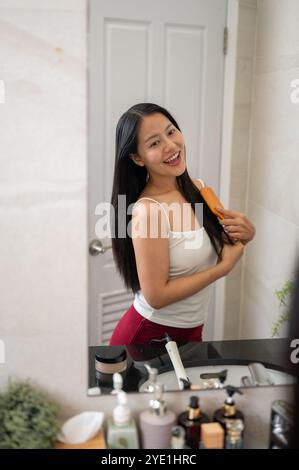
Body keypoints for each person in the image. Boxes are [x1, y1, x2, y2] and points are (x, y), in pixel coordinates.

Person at [109, 103, 255, 345]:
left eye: (171, 131)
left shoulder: (197, 188)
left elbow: (227, 243)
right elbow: (156, 296)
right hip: (149, 336)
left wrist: (246, 233)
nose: (171, 146)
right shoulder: (148, 211)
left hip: (192, 331)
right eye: (154, 143)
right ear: (137, 158)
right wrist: (223, 268)